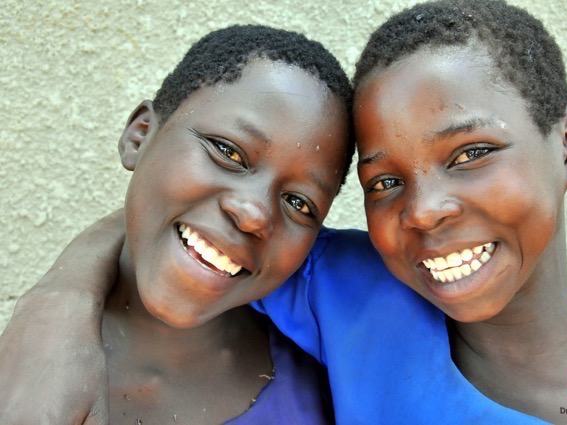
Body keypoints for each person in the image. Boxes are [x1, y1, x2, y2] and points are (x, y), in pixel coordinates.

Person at [2, 1, 567, 424]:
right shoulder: (351, 292)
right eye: (385, 180)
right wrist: (55, 309)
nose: (425, 211)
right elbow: (178, 224)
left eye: (471, 152)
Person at [0, 24, 356, 424]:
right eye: (228, 152)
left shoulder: (331, 393)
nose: (254, 213)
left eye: (298, 202)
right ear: (140, 136)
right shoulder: (21, 375)